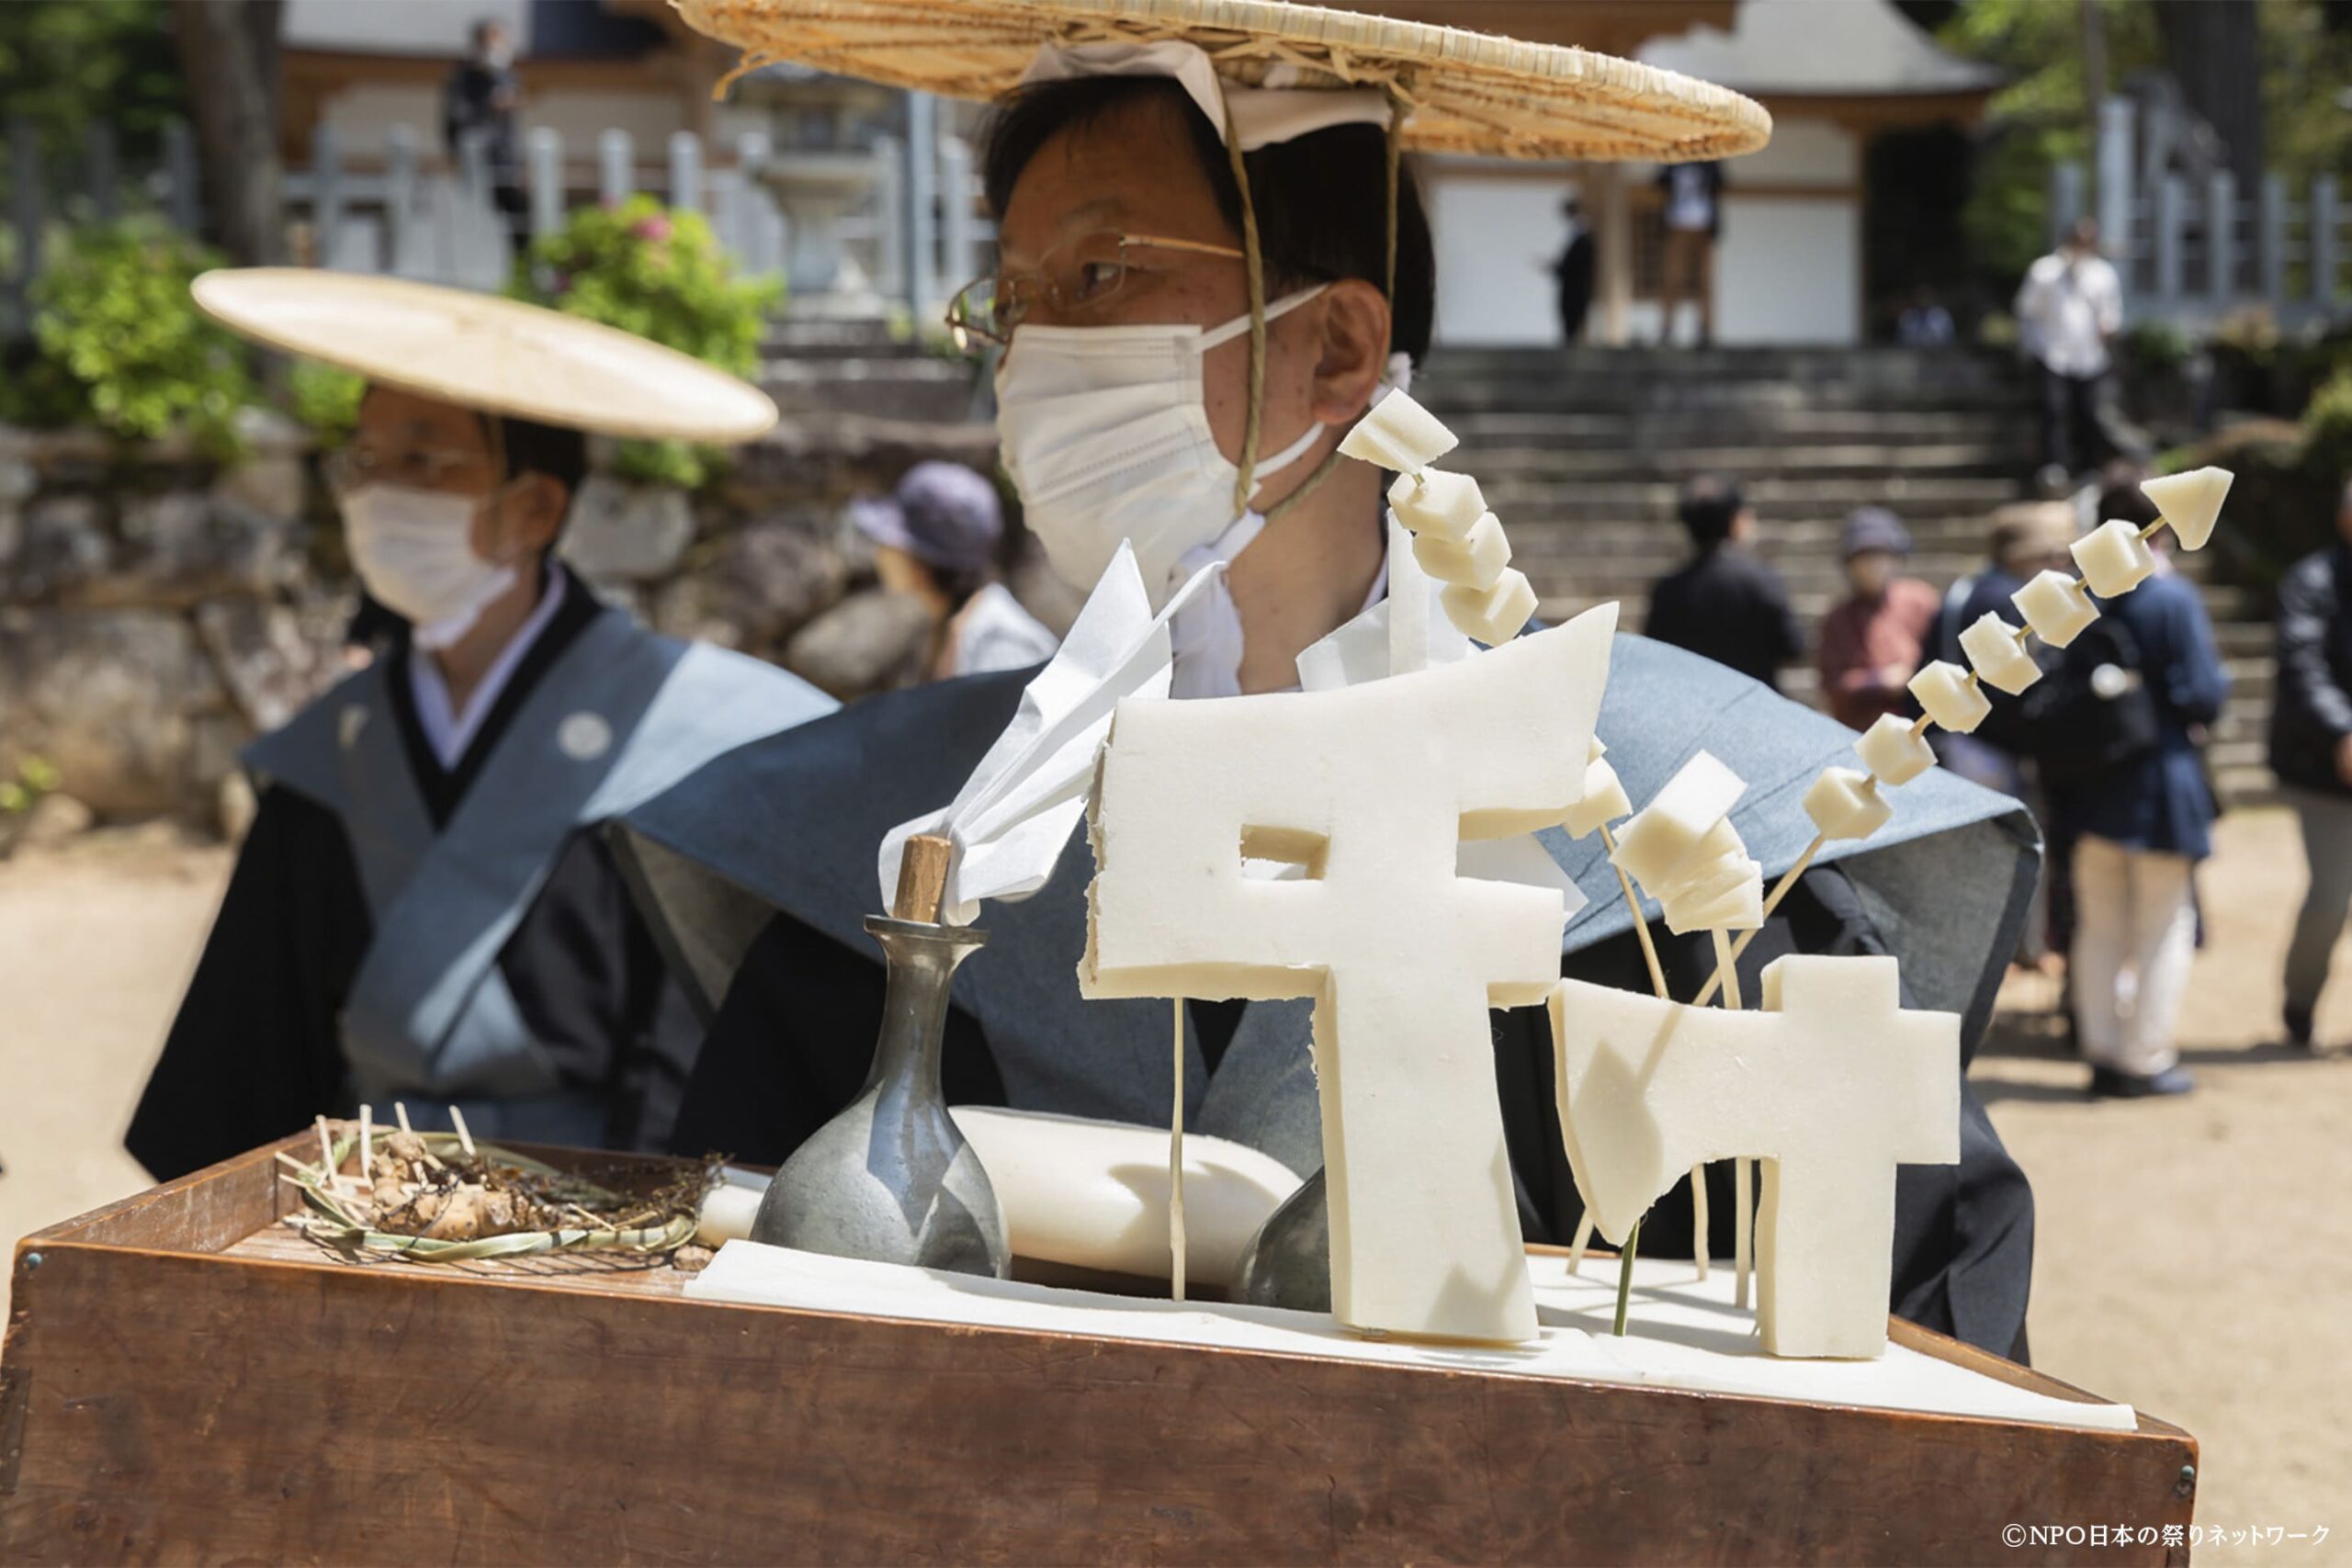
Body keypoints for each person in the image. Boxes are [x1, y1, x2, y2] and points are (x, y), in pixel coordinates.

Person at [622, 10, 2045, 1359]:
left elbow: (1907, 1321)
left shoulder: (1682, 845)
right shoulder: (895, 845)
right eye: (1014, 301)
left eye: (1100, 276)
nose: (1037, 351)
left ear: (1340, 348)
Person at [123, 273, 834, 1180]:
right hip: (358, 1211)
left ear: (533, 508)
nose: (377, 492)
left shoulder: (692, 741)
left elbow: (705, 1072)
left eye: (422, 462)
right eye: (366, 459)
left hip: (604, 1222)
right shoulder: (331, 753)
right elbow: (245, 1070)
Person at [2045, 491, 2228, 1098]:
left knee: (2098, 928)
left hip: (2092, 789)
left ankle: (2101, 1052)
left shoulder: (2083, 597)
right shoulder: (2172, 598)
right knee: (2161, 927)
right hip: (2162, 787)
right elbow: (2205, 694)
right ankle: (2145, 1057)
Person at [851, 460, 1058, 680]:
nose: (880, 549)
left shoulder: (1001, 645)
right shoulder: (946, 627)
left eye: (893, 540)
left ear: (921, 561)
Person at [2273, 479, 2352, 1051]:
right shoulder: (2311, 580)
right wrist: (2343, 730)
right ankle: (2300, 1003)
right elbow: (2303, 667)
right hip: (2324, 769)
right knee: (2331, 896)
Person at [1644, 474, 1804, 691]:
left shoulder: (1668, 590)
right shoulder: (1761, 579)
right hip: (1756, 705)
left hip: (1693, 707)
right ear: (1735, 521)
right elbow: (1793, 646)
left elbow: (1654, 653)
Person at [2015, 218, 2122, 491]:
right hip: (2052, 353)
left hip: (2090, 356)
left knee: (2089, 413)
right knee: (2053, 410)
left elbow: (2111, 314)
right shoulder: (2044, 271)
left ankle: (2088, 468)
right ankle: (2053, 465)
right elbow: (2027, 310)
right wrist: (2031, 346)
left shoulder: (2103, 274)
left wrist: (2107, 330)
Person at [1816, 506, 1939, 732]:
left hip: (1921, 727)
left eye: (1881, 556)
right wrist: (1880, 681)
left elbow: (1944, 660)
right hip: (1866, 732)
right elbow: (1832, 685)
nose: (1873, 566)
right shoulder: (1839, 619)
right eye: (1865, 558)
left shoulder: (1920, 602)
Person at [446, 18, 526, 250]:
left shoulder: (508, 76)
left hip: (507, 163)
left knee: (517, 220)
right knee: (477, 225)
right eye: (493, 39)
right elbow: (456, 117)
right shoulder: (464, 78)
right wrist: (489, 106)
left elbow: (511, 128)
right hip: (475, 163)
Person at [1654, 159, 1723, 347]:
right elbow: (1657, 182)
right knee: (1672, 279)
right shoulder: (1672, 162)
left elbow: (1722, 183)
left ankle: (1706, 329)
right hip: (1677, 225)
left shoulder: (1711, 162)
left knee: (1705, 281)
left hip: (1704, 227)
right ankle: (1667, 328)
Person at [1547, 193, 1595, 344]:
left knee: (1573, 323)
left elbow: (1578, 263)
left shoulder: (1583, 236)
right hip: (1572, 287)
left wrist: (1559, 268)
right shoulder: (1576, 235)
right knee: (1569, 324)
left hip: (1577, 287)